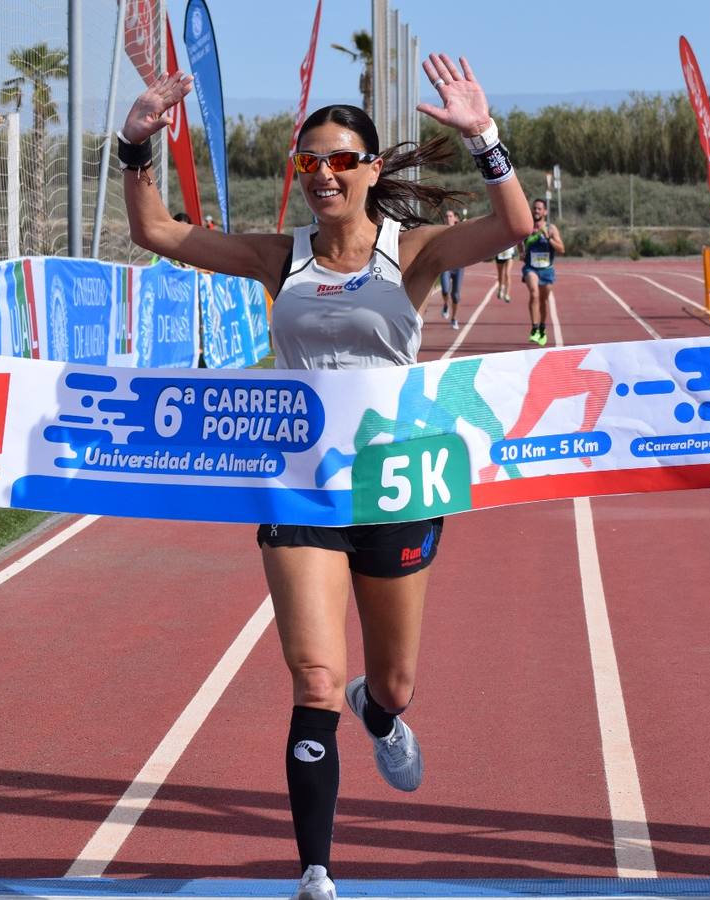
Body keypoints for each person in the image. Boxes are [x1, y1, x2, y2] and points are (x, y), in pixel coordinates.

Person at [120, 52, 532, 900]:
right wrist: (134, 149)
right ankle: (315, 871)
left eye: (342, 160)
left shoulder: (409, 253)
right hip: (301, 483)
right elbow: (156, 232)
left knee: (392, 681)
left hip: (395, 484)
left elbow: (514, 228)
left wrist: (485, 137)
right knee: (311, 676)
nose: (323, 175)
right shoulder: (283, 258)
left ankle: (378, 714)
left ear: (371, 168)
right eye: (309, 162)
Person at [521, 197, 562, 346]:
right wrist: (521, 253)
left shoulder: (551, 228)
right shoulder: (527, 227)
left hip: (547, 270)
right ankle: (534, 328)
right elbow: (520, 241)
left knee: (543, 301)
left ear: (545, 211)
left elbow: (561, 249)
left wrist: (548, 237)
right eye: (535, 208)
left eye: (539, 209)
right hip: (531, 268)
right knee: (534, 293)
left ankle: (542, 329)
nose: (536, 211)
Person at [437, 208, 464, 330]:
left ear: (455, 218)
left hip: (458, 267)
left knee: (456, 295)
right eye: (447, 216)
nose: (448, 218)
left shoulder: (461, 230)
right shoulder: (440, 232)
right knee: (445, 290)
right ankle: (445, 304)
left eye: (450, 216)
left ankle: (454, 318)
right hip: (446, 266)